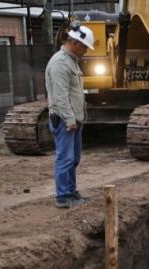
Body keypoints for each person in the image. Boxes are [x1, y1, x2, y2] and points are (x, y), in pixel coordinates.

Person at [45, 22, 95, 208]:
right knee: (65, 158)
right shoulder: (60, 63)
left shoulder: (71, 61)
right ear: (75, 43)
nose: (86, 52)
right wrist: (69, 120)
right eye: (85, 48)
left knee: (73, 159)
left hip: (75, 119)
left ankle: (72, 192)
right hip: (66, 120)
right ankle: (63, 196)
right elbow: (60, 96)